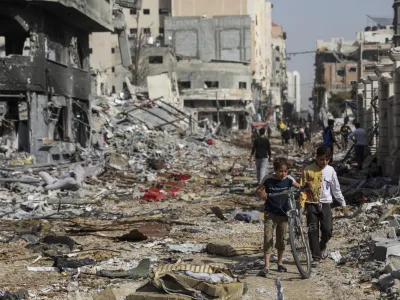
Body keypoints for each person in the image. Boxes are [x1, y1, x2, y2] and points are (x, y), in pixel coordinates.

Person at [299, 146, 349, 267]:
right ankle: (316, 257)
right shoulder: (308, 170)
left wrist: (343, 203)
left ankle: (322, 246)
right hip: (311, 205)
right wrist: (301, 206)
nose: (324, 162)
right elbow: (301, 189)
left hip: (326, 204)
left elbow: (336, 189)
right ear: (316, 157)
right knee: (312, 231)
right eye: (321, 159)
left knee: (328, 230)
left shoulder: (331, 170)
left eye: (327, 160)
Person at [256, 157, 302, 277]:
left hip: (283, 214)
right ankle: (266, 266)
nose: (283, 174)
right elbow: (259, 190)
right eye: (280, 171)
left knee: (281, 239)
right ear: (275, 170)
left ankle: (280, 263)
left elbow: (299, 187)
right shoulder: (268, 179)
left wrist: (305, 186)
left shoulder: (288, 179)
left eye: (285, 171)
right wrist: (262, 193)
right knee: (268, 237)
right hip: (270, 213)